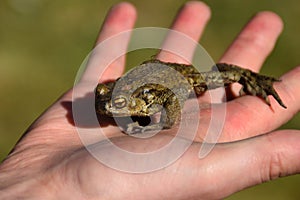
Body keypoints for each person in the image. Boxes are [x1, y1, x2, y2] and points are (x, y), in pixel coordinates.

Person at [0, 1, 299, 199]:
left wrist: (164, 122)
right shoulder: (115, 97)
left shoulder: (141, 99)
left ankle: (251, 78)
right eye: (104, 100)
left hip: (178, 79)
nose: (105, 106)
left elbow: (168, 97)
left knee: (210, 79)